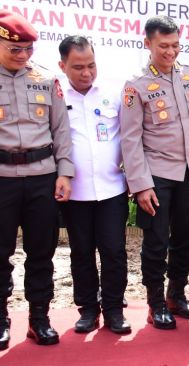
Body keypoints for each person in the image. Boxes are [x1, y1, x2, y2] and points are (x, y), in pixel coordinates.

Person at [120, 15, 189, 330]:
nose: (171, 52)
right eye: (163, 46)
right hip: (156, 176)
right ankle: (155, 303)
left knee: (186, 237)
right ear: (148, 43)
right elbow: (130, 140)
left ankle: (176, 295)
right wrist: (141, 185)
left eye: (175, 45)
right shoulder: (137, 85)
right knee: (156, 241)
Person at [0, 10, 74, 348]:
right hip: (2, 179)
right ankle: (1, 319)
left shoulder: (44, 79)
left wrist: (65, 172)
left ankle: (39, 318)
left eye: (28, 49)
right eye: (14, 49)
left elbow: (61, 130)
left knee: (41, 252)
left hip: (42, 177)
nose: (23, 55)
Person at [57, 35, 131, 334]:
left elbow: (129, 136)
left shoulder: (113, 92)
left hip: (112, 189)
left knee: (114, 251)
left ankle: (113, 308)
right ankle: (88, 309)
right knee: (81, 252)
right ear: (62, 66)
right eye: (78, 67)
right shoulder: (56, 97)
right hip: (75, 194)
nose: (86, 72)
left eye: (91, 65)